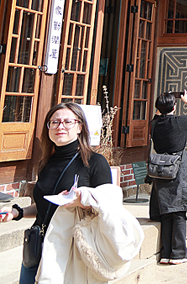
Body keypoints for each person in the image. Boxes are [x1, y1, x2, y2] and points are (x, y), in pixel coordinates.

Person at [0, 103, 112, 284]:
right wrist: (17, 212)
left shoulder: (95, 162)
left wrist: (80, 202)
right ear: (48, 128)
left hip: (72, 249)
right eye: (55, 122)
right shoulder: (46, 162)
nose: (60, 126)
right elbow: (45, 205)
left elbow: (109, 207)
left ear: (80, 127)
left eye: (68, 122)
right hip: (38, 245)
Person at [148, 91, 187, 265]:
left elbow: (157, 117)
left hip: (160, 169)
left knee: (166, 211)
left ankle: (165, 254)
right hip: (178, 168)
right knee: (178, 211)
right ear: (174, 106)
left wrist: (162, 107)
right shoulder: (179, 122)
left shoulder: (154, 125)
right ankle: (178, 254)